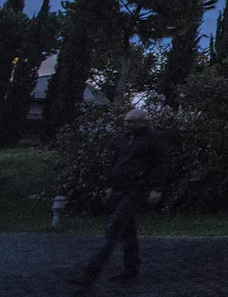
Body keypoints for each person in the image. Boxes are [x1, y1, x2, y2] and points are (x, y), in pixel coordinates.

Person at [70, 108, 166, 288]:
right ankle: (131, 268)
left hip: (138, 190)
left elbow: (161, 164)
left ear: (142, 122)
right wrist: (109, 186)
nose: (127, 124)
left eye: (131, 122)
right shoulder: (123, 140)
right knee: (127, 230)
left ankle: (90, 272)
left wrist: (157, 189)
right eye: (126, 121)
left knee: (113, 228)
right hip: (119, 189)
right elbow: (115, 162)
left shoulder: (153, 139)